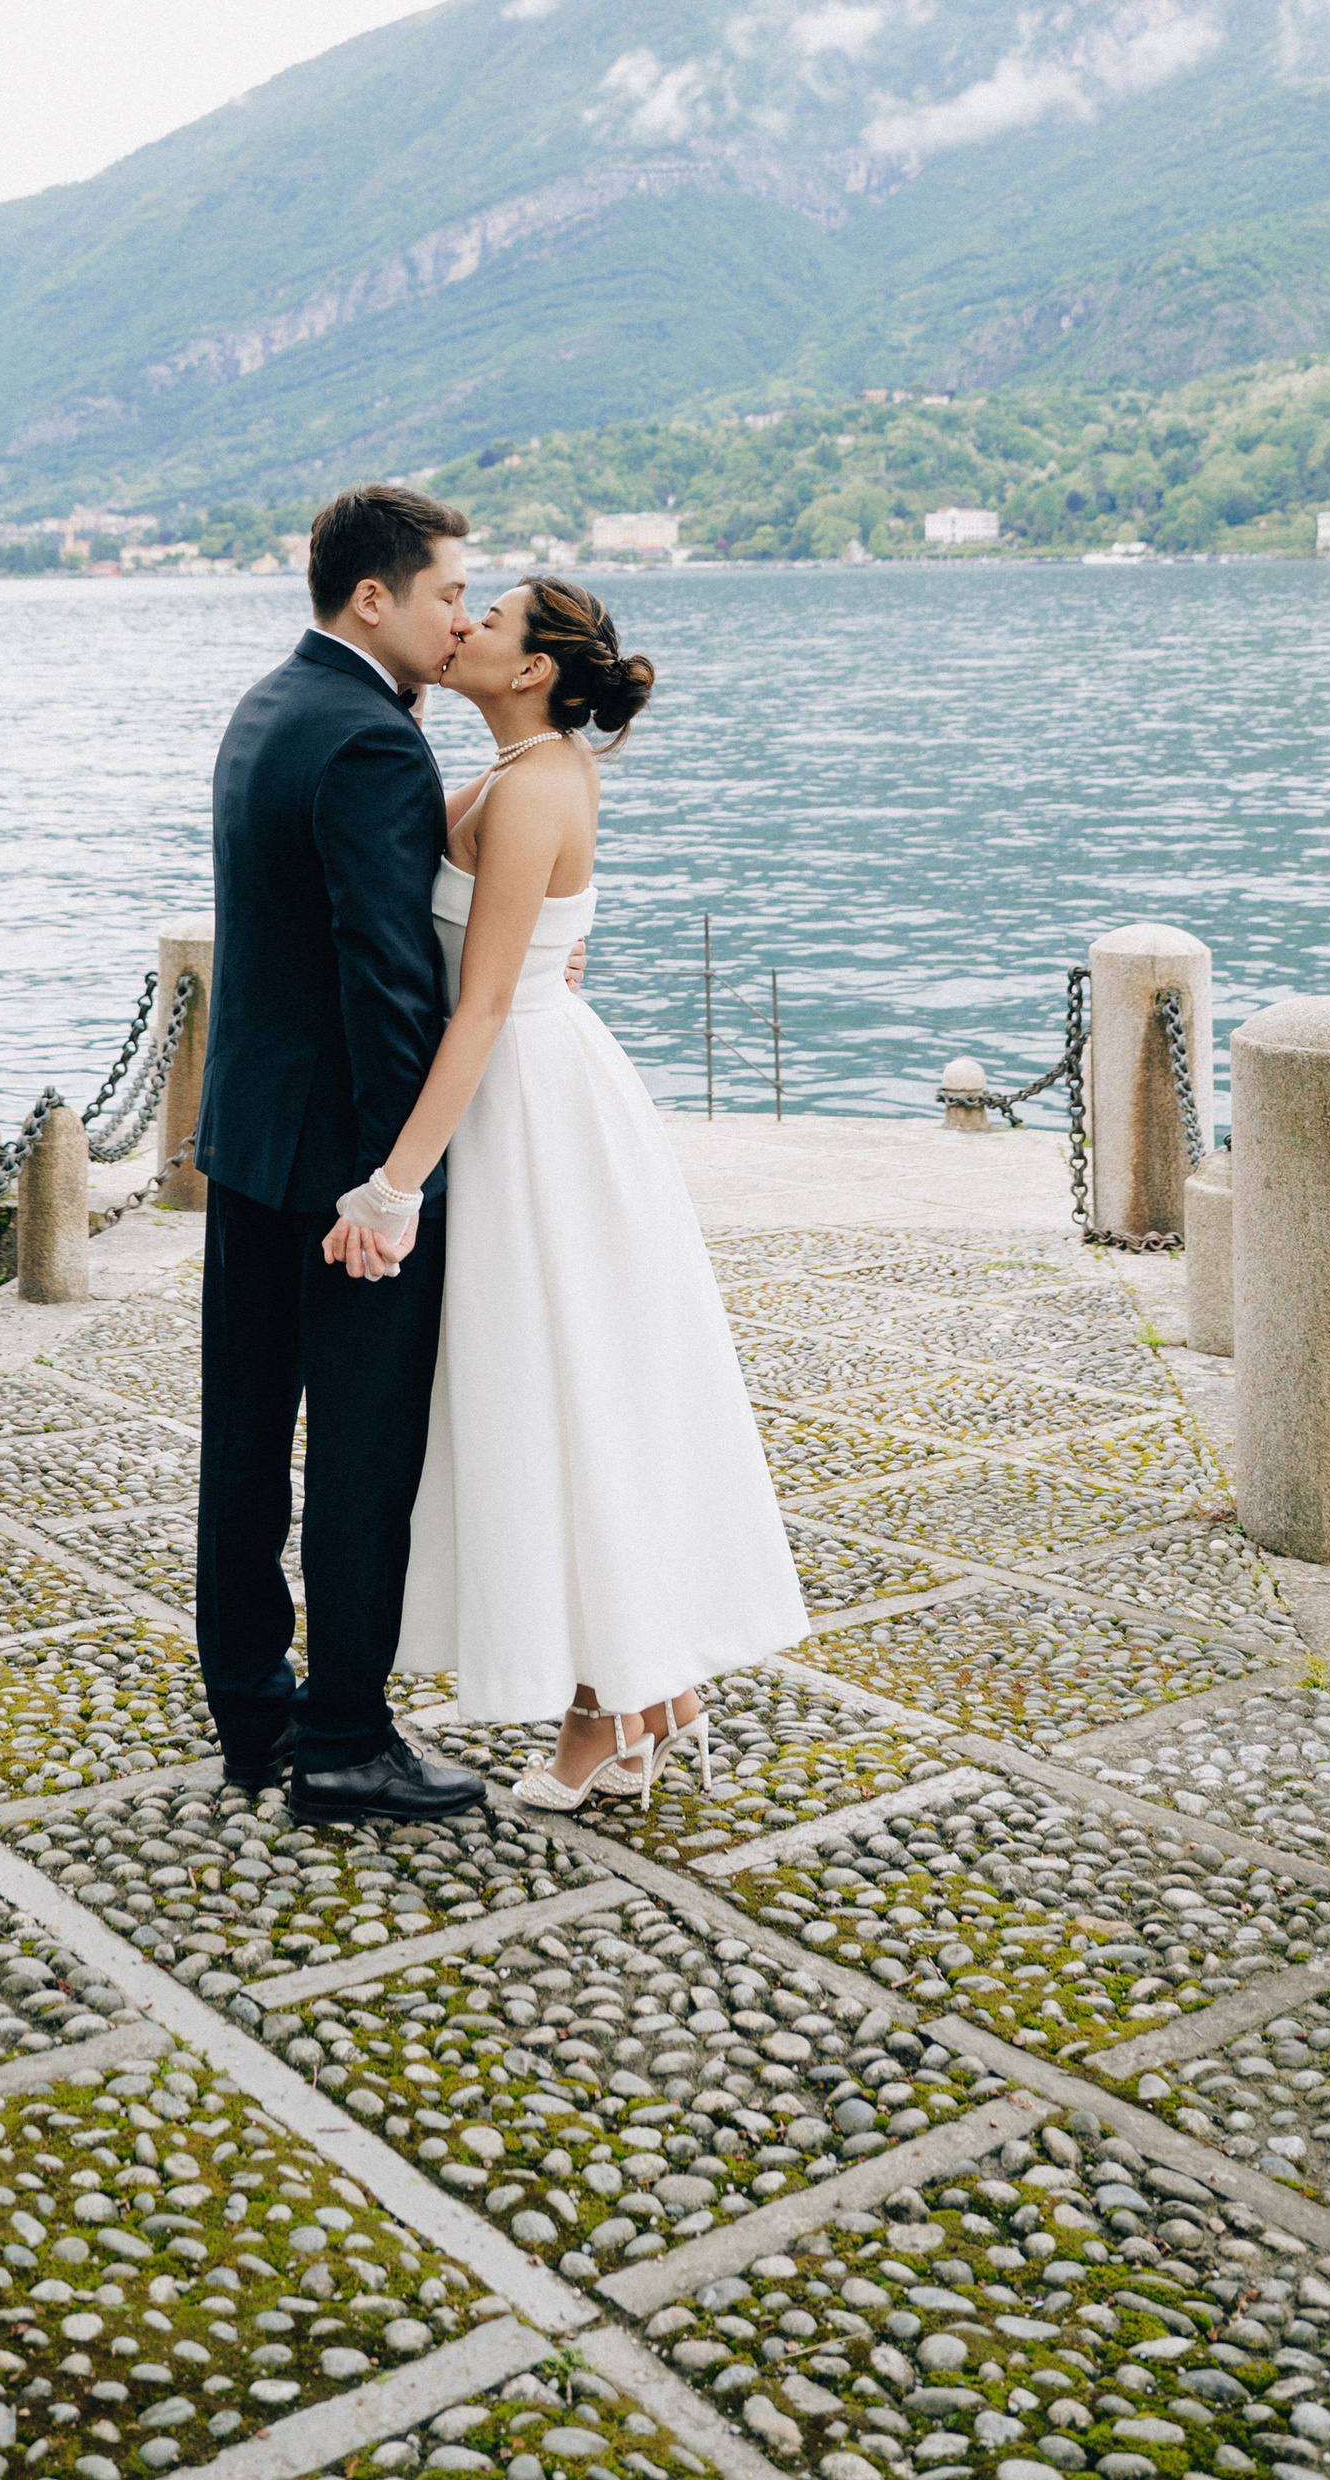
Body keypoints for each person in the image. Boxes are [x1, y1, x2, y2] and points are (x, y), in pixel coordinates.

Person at [344, 577, 807, 1804]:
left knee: (565, 1390)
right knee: (547, 1391)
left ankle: (614, 1700)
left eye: (486, 620)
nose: (464, 629)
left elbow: (487, 1001)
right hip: (519, 1090)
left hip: (530, 1104)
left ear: (536, 666)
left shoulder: (538, 784)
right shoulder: (508, 776)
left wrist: (394, 1184)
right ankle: (639, 1691)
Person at [193, 483, 494, 1830]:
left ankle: (254, 1717)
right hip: (337, 1170)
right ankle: (348, 1739)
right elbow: (386, 988)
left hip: (249, 1144)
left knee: (247, 1440)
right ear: (374, 596)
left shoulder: (268, 709)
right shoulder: (375, 744)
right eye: (446, 593)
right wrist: (395, 1185)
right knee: (360, 1454)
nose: (462, 618)